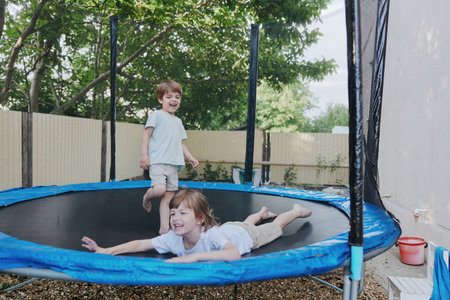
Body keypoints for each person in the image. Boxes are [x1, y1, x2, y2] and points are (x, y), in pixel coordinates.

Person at [81, 189, 312, 263]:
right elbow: (141, 243)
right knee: (244, 222)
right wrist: (106, 250)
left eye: (182, 213)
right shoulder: (173, 236)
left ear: (200, 219)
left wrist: (192, 258)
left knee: (273, 226)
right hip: (232, 227)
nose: (174, 218)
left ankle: (294, 211)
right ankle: (261, 212)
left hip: (247, 237)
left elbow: (233, 254)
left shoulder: (211, 236)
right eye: (172, 213)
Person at [140, 80, 199, 235]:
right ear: (161, 99)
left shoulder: (178, 121)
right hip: (158, 160)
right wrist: (144, 154)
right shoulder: (156, 115)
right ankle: (147, 196)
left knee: (168, 197)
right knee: (159, 190)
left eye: (177, 97)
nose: (174, 100)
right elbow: (147, 134)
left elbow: (180, 143)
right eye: (169, 97)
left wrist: (190, 156)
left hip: (174, 163)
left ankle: (164, 229)